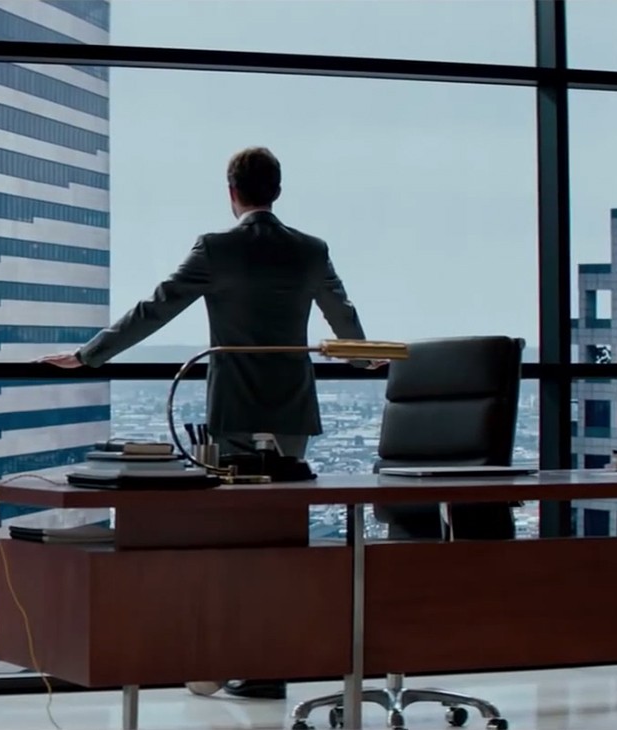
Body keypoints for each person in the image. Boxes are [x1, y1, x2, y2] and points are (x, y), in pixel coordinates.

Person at [39, 146, 381, 701]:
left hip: (235, 409)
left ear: (232, 192)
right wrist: (365, 359)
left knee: (234, 541)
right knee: (280, 539)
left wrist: (90, 355)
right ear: (277, 190)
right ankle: (269, 665)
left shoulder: (216, 248)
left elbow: (155, 308)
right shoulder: (310, 249)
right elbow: (343, 316)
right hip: (292, 408)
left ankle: (233, 658)